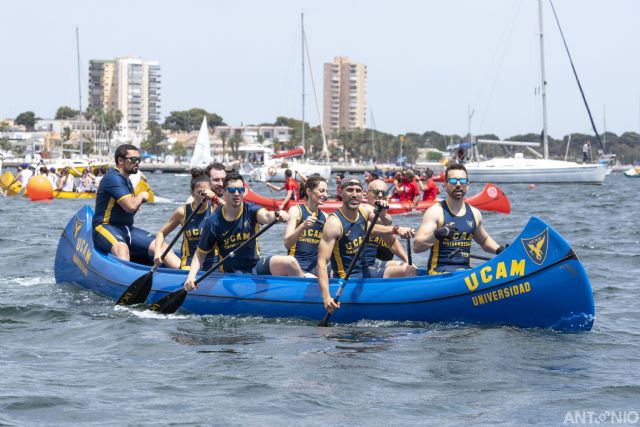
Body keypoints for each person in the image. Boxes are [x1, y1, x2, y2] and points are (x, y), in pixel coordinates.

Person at [183, 172, 305, 291]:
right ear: (224, 192)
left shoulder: (251, 210)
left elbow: (267, 216)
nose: (236, 193)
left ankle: (308, 294)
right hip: (230, 271)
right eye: (232, 190)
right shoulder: (213, 222)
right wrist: (191, 277)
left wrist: (277, 214)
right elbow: (200, 254)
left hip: (255, 265)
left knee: (290, 262)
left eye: (240, 190)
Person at [317, 176, 415, 314]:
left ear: (362, 194)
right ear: (340, 192)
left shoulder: (366, 210)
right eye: (350, 190)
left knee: (410, 270)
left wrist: (384, 211)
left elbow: (386, 221)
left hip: (366, 273)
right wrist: (326, 297)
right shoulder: (333, 223)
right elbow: (321, 262)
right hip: (347, 279)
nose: (354, 194)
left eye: (357, 190)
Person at [413, 163, 503, 274]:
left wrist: (500, 250)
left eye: (463, 181)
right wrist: (437, 234)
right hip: (439, 272)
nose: (459, 184)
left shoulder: (475, 213)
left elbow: (484, 241)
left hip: (465, 272)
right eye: (453, 181)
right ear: (445, 185)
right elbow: (417, 247)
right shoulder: (435, 212)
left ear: (468, 185)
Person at [92, 144, 162, 264]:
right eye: (134, 159)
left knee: (160, 246)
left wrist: (137, 202)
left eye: (139, 160)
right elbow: (130, 206)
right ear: (120, 160)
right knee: (122, 249)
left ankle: (187, 275)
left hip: (126, 228)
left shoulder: (127, 181)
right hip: (105, 226)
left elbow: (130, 209)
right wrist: (141, 196)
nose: (137, 163)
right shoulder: (112, 177)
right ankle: (124, 279)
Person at [154, 169, 216, 269]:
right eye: (200, 192)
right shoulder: (182, 212)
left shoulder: (216, 210)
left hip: (212, 260)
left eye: (207, 192)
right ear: (192, 193)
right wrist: (157, 253)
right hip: (190, 261)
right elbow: (161, 233)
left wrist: (217, 199)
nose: (204, 196)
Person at [364, 179, 416, 278]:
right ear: (366, 194)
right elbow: (370, 229)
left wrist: (408, 261)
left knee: (409, 266)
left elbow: (392, 242)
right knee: (408, 271)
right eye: (375, 192)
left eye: (383, 193)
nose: (380, 195)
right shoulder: (361, 209)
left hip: (370, 265)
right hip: (356, 269)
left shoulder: (383, 216)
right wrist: (396, 229)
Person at [284, 176, 329, 276]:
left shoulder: (325, 217)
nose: (325, 195)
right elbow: (287, 243)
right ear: (309, 191)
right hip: (296, 267)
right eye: (321, 191)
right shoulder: (296, 211)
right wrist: (303, 226)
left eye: (326, 191)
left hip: (316, 268)